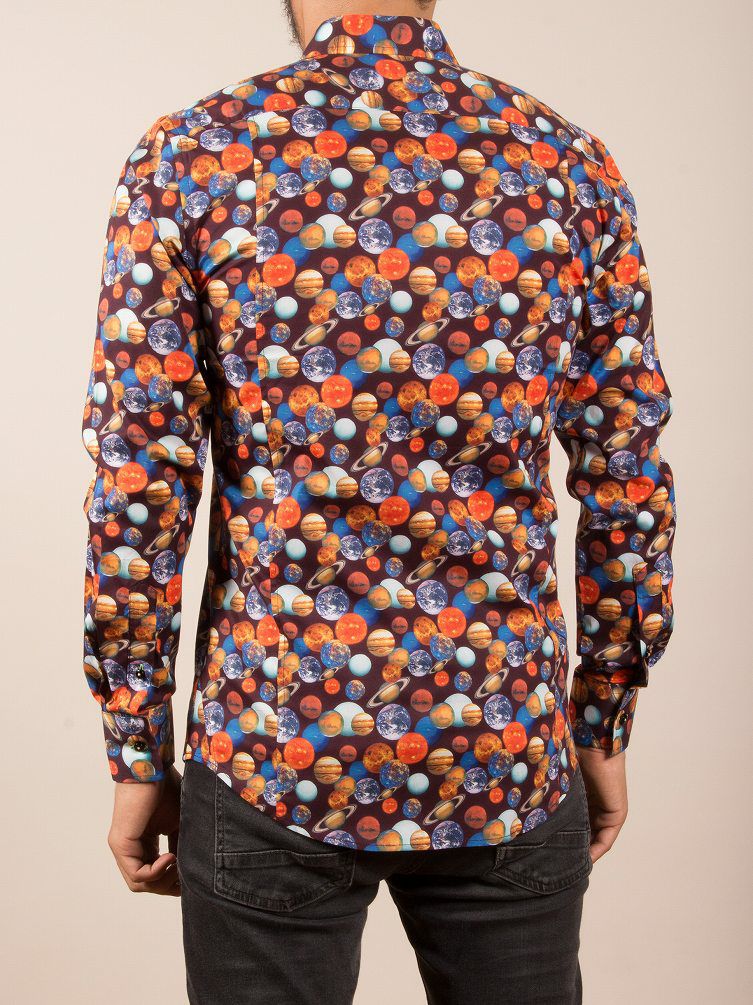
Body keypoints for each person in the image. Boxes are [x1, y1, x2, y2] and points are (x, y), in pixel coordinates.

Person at [79, 1, 676, 1001]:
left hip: (272, 745)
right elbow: (627, 474)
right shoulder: (567, 164)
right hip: (507, 744)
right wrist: (602, 715)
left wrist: (137, 745)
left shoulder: (192, 157)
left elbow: (138, 483)